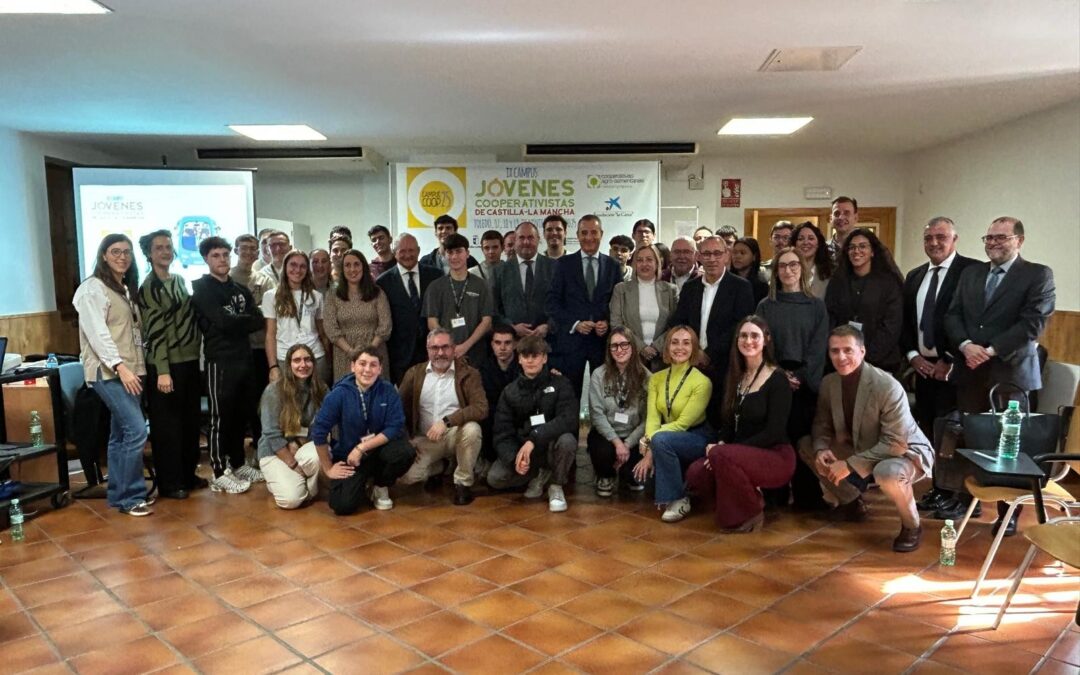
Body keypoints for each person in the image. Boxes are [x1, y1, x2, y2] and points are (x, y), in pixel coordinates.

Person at [944, 216, 1055, 535]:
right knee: (970, 438)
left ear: (1019, 240)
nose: (993, 243)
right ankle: (967, 501)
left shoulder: (1037, 274)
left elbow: (1033, 323)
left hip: (1011, 375)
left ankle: (1009, 513)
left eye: (1001, 238)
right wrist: (966, 345)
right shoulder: (971, 273)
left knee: (1010, 446)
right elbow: (953, 315)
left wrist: (989, 350)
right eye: (989, 238)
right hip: (971, 372)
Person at [798, 326, 934, 552]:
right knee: (807, 446)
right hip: (861, 444)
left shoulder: (887, 386)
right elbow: (822, 424)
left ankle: (912, 526)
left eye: (848, 350)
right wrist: (821, 449)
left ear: (862, 351)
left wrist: (850, 465)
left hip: (903, 451)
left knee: (887, 473)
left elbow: (895, 442)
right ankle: (852, 503)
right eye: (834, 351)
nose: (841, 357)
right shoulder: (829, 383)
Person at [900, 218, 980, 518]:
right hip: (924, 369)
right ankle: (941, 488)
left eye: (941, 236)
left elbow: (973, 321)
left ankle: (964, 496)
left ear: (955, 239)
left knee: (958, 433)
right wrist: (913, 356)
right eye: (928, 237)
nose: (934, 242)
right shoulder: (915, 276)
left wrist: (950, 358)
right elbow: (906, 322)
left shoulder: (971, 271)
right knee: (933, 431)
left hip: (959, 370)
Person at [686, 316, 794, 531]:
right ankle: (749, 497)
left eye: (755, 336)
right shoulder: (737, 376)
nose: (748, 341)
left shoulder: (778, 379)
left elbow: (774, 432)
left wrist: (727, 452)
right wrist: (722, 443)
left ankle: (750, 512)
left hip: (776, 455)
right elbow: (728, 422)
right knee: (695, 474)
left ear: (766, 340)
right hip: (738, 453)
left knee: (719, 456)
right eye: (743, 336)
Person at [73, 234, 153, 517]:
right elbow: (98, 334)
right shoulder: (91, 289)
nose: (122, 257)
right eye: (116, 251)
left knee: (120, 434)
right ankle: (132, 497)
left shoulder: (123, 288)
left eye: (127, 252)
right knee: (136, 430)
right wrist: (120, 366)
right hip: (109, 372)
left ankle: (118, 495)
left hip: (132, 369)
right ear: (104, 255)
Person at [191, 236, 266, 494]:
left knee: (241, 414)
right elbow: (222, 322)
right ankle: (219, 471)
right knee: (220, 417)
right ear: (206, 259)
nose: (222, 259)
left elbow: (258, 320)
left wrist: (234, 321)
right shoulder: (202, 289)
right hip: (219, 361)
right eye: (216, 255)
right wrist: (238, 321)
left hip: (244, 358)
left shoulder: (240, 289)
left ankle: (238, 463)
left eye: (225, 254)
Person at [756, 248, 829, 509]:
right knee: (776, 436)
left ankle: (806, 497)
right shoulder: (766, 306)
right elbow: (761, 345)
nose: (788, 270)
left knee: (802, 437)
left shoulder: (816, 306)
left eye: (794, 264)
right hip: (774, 378)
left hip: (805, 381)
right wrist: (779, 375)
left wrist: (799, 376)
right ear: (776, 271)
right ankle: (774, 494)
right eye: (783, 265)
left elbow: (818, 347)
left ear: (802, 268)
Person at [309, 346, 414, 514]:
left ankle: (380, 485)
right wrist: (328, 467)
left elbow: (395, 426)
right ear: (353, 366)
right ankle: (363, 482)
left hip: (379, 451)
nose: (367, 370)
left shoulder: (388, 391)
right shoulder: (339, 394)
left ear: (380, 369)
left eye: (373, 365)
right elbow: (319, 431)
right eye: (362, 364)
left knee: (405, 452)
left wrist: (362, 447)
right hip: (350, 456)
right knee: (342, 506)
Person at [136, 230, 201, 500]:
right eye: (159, 248)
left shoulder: (178, 280)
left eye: (168, 247)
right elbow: (155, 332)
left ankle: (188, 475)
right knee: (168, 427)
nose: (165, 252)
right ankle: (171, 483)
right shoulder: (149, 287)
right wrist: (163, 371)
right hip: (165, 366)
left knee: (189, 422)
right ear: (149, 254)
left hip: (188, 361)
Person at [664, 235, 755, 426]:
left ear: (726, 256)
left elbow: (739, 326)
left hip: (726, 365)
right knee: (692, 418)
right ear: (699, 257)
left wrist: (708, 354)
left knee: (721, 418)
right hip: (692, 363)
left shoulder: (741, 287)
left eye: (717, 253)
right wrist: (693, 351)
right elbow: (679, 321)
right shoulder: (690, 287)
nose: (712, 259)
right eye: (706, 254)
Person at [632, 326, 714, 523]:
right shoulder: (656, 378)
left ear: (694, 348)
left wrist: (651, 443)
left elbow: (682, 424)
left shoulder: (702, 382)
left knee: (661, 441)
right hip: (665, 436)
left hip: (696, 436)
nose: (680, 348)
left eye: (686, 343)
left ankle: (678, 499)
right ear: (667, 347)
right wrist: (649, 441)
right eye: (674, 342)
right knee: (646, 481)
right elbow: (653, 418)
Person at [487, 335, 578, 512]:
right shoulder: (510, 391)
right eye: (525, 356)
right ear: (519, 359)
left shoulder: (561, 383)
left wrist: (534, 438)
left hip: (551, 446)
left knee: (567, 441)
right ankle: (538, 475)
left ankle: (556, 485)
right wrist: (514, 460)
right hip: (525, 451)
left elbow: (568, 419)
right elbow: (502, 433)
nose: (530, 361)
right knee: (495, 478)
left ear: (544, 358)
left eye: (535, 356)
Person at [398, 329, 489, 505]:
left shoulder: (469, 373)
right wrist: (406, 441)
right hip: (425, 439)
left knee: (472, 430)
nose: (440, 353)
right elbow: (398, 409)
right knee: (407, 477)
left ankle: (463, 483)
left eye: (445, 347)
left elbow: (481, 407)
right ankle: (441, 466)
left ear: (453, 348)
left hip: (455, 434)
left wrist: (447, 421)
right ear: (427, 349)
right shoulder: (415, 373)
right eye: (435, 348)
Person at [546, 214, 622, 398]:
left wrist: (607, 323)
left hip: (602, 342)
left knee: (605, 394)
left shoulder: (612, 265)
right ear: (577, 235)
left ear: (601, 234)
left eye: (594, 232)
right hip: (571, 342)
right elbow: (552, 302)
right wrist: (575, 323)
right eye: (584, 233)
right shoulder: (563, 264)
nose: (589, 237)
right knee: (569, 394)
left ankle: (601, 420)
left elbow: (618, 302)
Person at [257, 344, 327, 509]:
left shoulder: (321, 389)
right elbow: (271, 434)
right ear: (288, 365)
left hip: (304, 446)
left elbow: (323, 425)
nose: (303, 365)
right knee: (291, 500)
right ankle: (287, 481)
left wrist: (299, 442)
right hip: (275, 452)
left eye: (307, 360)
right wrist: (293, 463)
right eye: (297, 360)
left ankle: (299, 484)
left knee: (321, 454)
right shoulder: (273, 391)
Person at [825, 228, 904, 374]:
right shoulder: (837, 281)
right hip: (842, 361)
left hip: (880, 363)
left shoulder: (889, 283)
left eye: (862, 246)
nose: (856, 251)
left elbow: (891, 325)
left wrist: (864, 356)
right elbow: (830, 318)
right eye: (852, 247)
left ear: (872, 252)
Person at [588, 328, 650, 496]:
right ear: (609, 349)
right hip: (607, 435)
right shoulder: (598, 375)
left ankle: (626, 474)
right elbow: (596, 414)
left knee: (633, 478)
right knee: (602, 451)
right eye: (614, 346)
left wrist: (628, 444)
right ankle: (605, 476)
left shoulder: (647, 377)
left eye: (624, 344)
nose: (619, 350)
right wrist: (617, 443)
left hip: (635, 436)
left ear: (633, 346)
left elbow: (648, 419)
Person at [376, 233, 441, 383]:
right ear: (394, 253)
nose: (407, 255)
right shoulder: (383, 282)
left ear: (418, 251)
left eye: (411, 250)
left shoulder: (435, 276)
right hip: (400, 357)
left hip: (432, 352)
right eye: (402, 251)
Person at [231, 234, 276, 449]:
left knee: (261, 400)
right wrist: (253, 313)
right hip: (236, 350)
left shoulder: (264, 280)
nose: (249, 252)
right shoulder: (227, 278)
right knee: (238, 402)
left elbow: (269, 314)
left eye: (253, 249)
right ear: (236, 250)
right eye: (244, 248)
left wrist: (246, 316)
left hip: (260, 348)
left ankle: (262, 447)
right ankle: (236, 456)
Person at [424, 233, 494, 366]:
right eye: (450, 252)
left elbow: (487, 321)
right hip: (444, 356)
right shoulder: (435, 287)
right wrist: (448, 346)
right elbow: (432, 322)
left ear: (467, 253)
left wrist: (465, 346)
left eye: (458, 251)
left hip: (476, 355)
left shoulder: (481, 285)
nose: (454, 257)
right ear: (445, 255)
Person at [264, 249, 331, 385]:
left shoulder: (316, 296)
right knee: (288, 398)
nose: (297, 270)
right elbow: (270, 334)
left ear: (307, 270)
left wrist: (329, 360)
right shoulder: (271, 296)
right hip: (285, 358)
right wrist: (273, 366)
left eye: (302, 266)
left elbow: (322, 333)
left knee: (319, 396)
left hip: (315, 356)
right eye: (293, 265)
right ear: (285, 267)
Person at [323, 249, 391, 380]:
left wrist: (368, 352)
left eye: (356, 264)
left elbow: (385, 326)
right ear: (342, 269)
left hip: (374, 353)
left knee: (376, 391)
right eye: (347, 265)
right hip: (345, 356)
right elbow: (330, 328)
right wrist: (351, 351)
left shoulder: (378, 293)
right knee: (347, 391)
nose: (352, 269)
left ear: (363, 267)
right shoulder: (333, 295)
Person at [609, 244, 677, 370]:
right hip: (630, 356)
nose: (644, 264)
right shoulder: (621, 289)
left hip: (663, 356)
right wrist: (641, 347)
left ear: (657, 263)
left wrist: (656, 347)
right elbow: (616, 324)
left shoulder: (670, 290)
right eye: (640, 260)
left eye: (649, 259)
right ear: (634, 264)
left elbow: (675, 324)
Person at [491, 221, 553, 340]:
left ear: (538, 239)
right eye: (521, 238)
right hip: (513, 342)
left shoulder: (553, 267)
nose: (526, 242)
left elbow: (562, 304)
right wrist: (512, 327)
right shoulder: (500, 271)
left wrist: (549, 326)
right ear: (515, 241)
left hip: (548, 341)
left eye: (530, 237)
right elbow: (495, 310)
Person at [478, 325, 521, 471]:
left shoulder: (525, 366)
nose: (502, 348)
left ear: (515, 344)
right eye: (498, 343)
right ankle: (487, 459)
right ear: (492, 344)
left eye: (507, 343)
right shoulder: (484, 368)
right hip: (493, 417)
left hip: (519, 417)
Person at [791, 222, 833, 299]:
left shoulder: (831, 272)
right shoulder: (786, 271)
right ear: (794, 244)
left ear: (818, 244)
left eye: (811, 238)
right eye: (800, 239)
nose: (805, 242)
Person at [730, 237, 769, 304]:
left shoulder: (762, 285)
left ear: (754, 257)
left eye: (742, 253)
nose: (737, 256)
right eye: (735, 252)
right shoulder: (726, 280)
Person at [827, 196, 859, 261]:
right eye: (837, 213)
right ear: (831, 219)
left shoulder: (867, 249)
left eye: (846, 213)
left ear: (855, 218)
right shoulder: (822, 250)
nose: (841, 217)